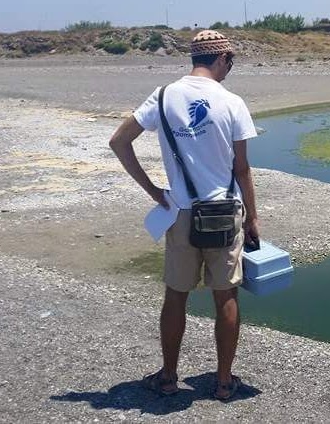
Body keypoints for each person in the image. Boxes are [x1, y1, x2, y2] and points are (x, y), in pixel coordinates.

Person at [109, 30, 259, 401]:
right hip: (225, 212)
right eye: (230, 62)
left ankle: (169, 377)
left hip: (180, 213)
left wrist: (154, 191)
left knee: (176, 296)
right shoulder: (232, 102)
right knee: (225, 297)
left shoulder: (162, 96)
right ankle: (224, 383)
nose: (230, 69)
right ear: (222, 58)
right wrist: (253, 219)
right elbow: (242, 170)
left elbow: (119, 141)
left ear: (194, 58)